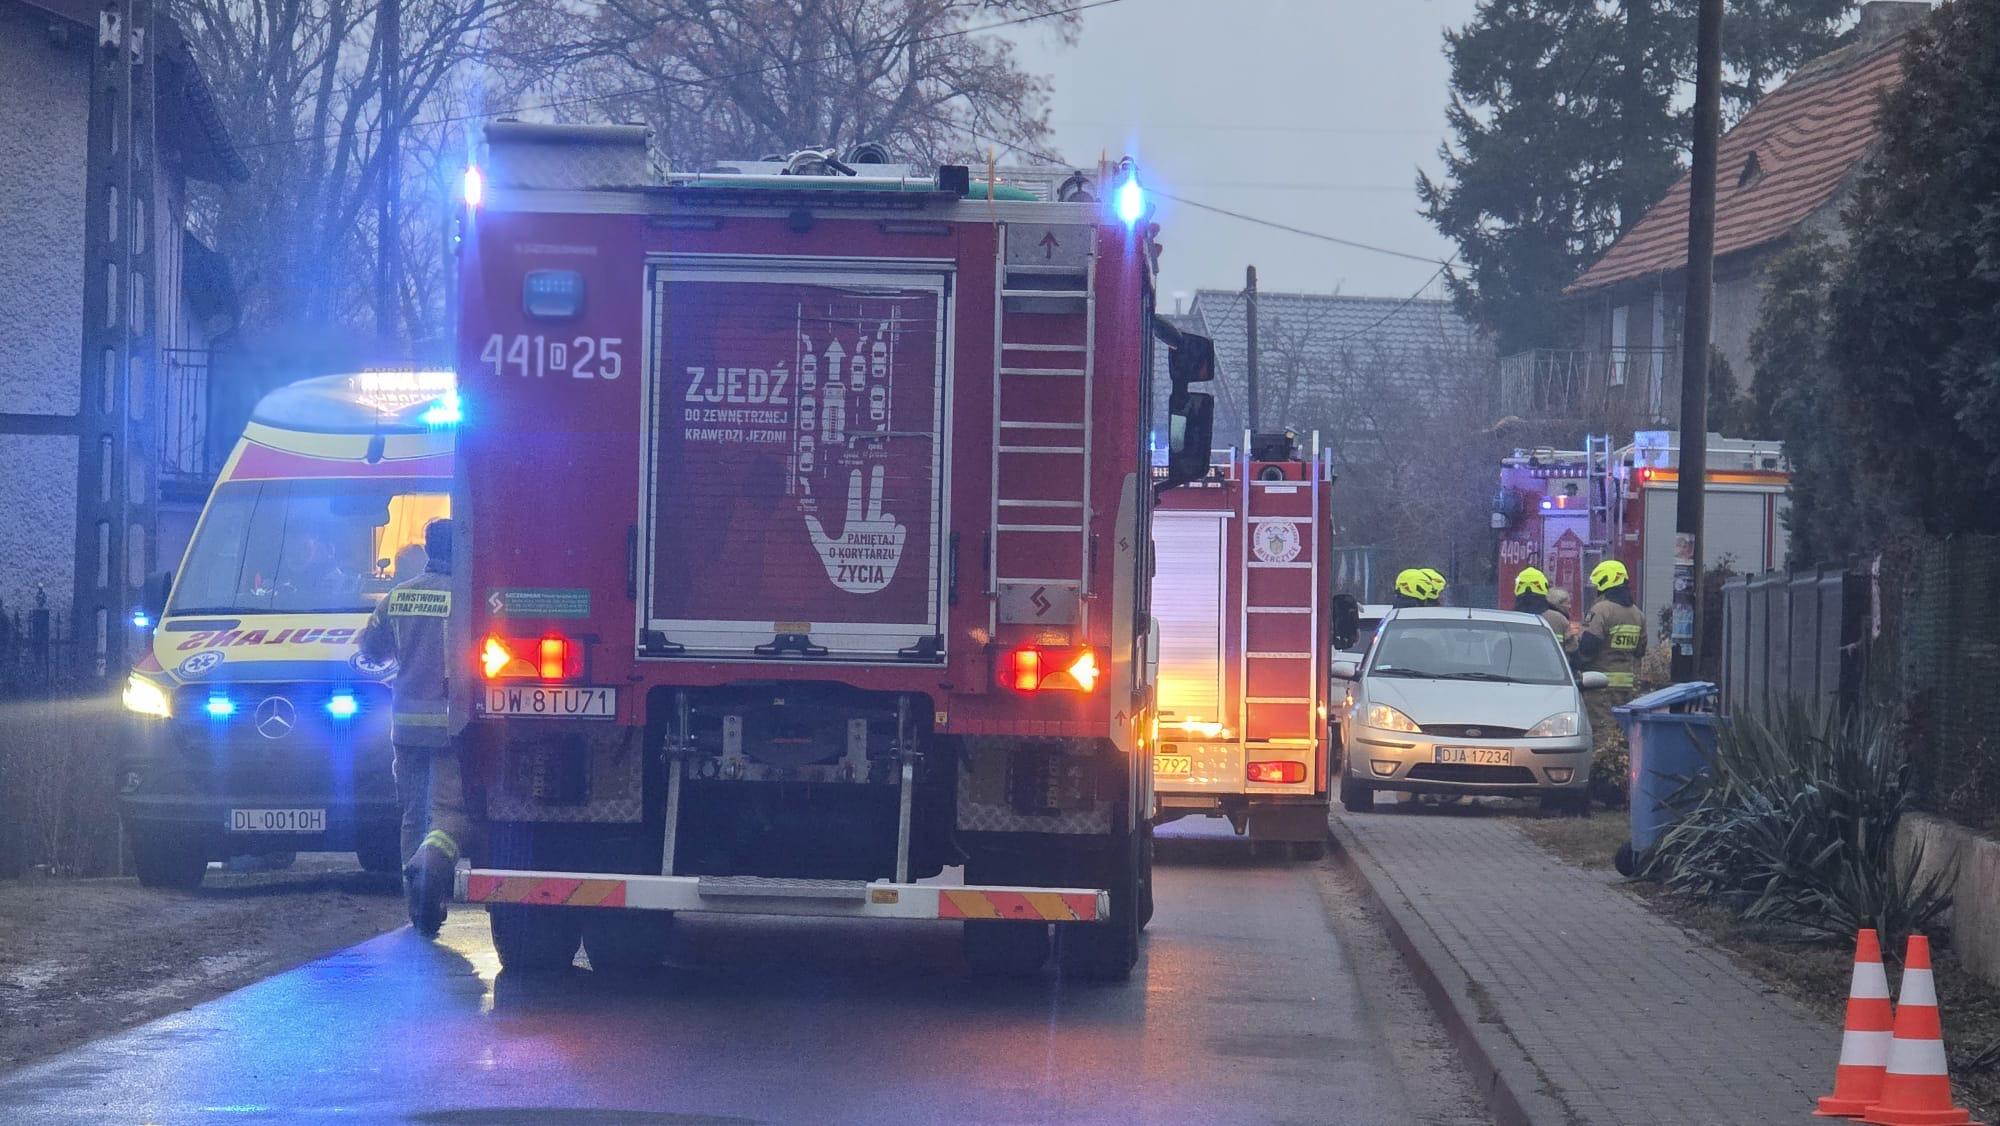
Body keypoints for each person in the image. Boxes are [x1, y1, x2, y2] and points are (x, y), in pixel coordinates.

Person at [358, 517, 466, 937]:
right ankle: (431, 878)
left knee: (411, 815)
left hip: (404, 728)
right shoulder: (464, 597)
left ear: (426, 550)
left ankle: (417, 908)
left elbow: (371, 650)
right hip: (450, 729)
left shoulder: (397, 598)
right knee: (448, 814)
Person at [1576, 560, 1647, 806]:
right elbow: (1640, 650)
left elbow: (1588, 646)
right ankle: (1621, 790)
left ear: (1606, 582)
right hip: (1626, 689)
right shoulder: (1638, 614)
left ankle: (1596, 791)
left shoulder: (1602, 610)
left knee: (1601, 738)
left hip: (1599, 687)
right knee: (1623, 738)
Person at [1511, 567, 1570, 639]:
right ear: (1545, 587)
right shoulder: (1558, 619)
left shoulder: (1507, 619)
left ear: (1517, 588)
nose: (1569, 606)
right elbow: (1572, 649)